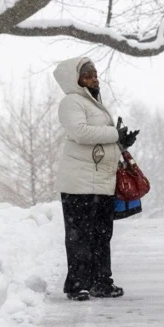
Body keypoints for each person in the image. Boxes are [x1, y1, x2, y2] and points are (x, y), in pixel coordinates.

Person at [53, 57, 139, 301]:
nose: (94, 78)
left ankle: (101, 281)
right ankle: (77, 284)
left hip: (101, 181)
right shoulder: (71, 102)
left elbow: (100, 138)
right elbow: (80, 133)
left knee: (101, 234)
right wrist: (114, 134)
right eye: (88, 75)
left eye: (95, 74)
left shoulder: (94, 103)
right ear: (75, 79)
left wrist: (122, 141)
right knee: (79, 234)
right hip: (79, 183)